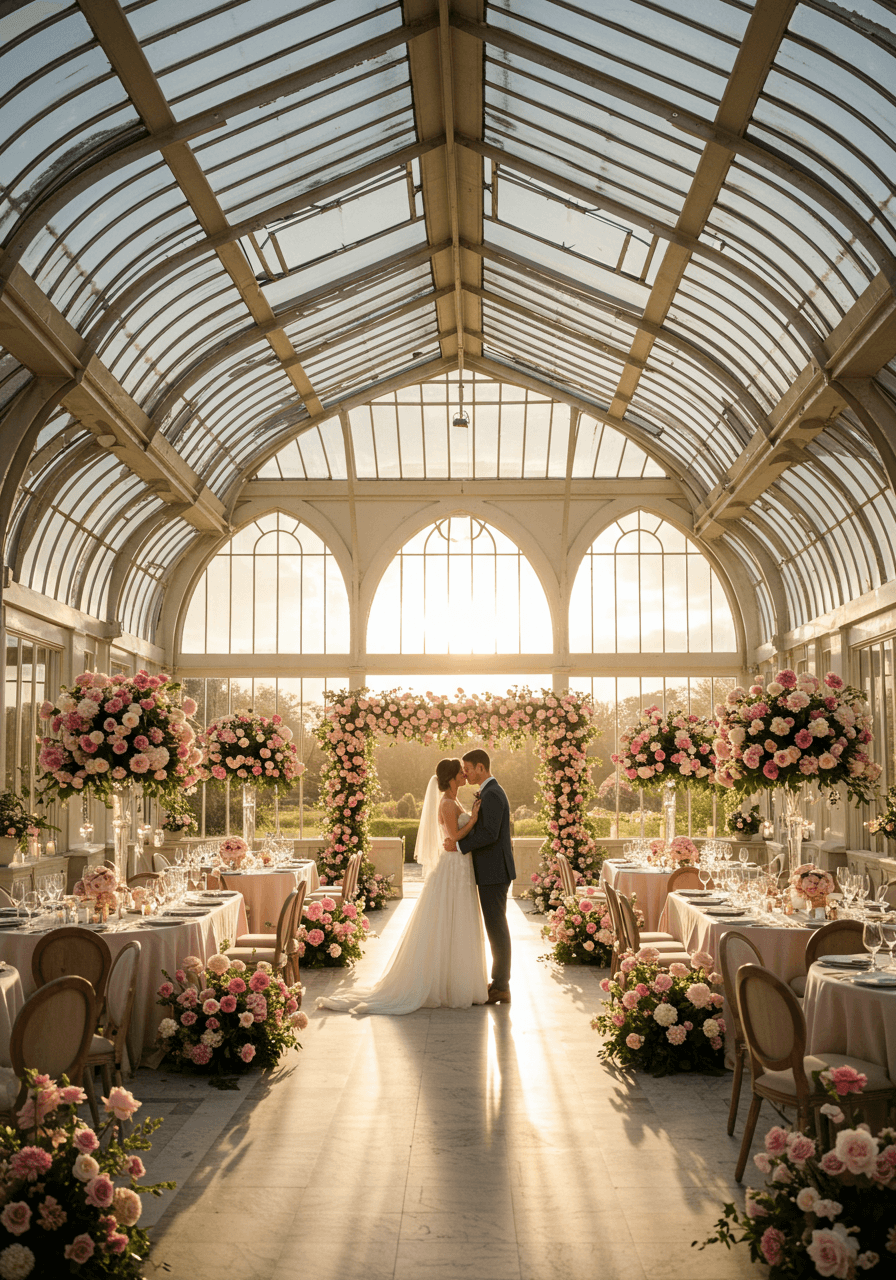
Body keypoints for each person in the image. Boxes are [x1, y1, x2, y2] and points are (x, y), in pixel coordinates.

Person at [315, 758, 488, 1014]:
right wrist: (473, 820)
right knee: (446, 919)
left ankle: (454, 981)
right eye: (461, 773)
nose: (465, 775)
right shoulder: (447, 803)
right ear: (451, 778)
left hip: (459, 866)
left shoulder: (455, 800)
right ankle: (443, 985)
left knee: (458, 920)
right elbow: (454, 836)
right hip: (452, 867)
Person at [454, 749, 515, 1004]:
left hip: (495, 871)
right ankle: (499, 983)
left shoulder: (492, 794)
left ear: (481, 767)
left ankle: (501, 986)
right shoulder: (489, 792)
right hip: (492, 871)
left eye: (468, 768)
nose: (465, 773)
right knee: (495, 927)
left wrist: (459, 845)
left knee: (497, 928)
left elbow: (490, 833)